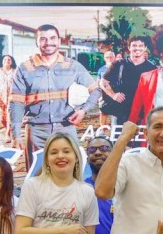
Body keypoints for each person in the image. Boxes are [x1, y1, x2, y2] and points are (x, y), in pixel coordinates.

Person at [9, 24, 101, 156]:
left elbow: (96, 90)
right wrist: (16, 134)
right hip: (37, 132)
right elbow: (15, 103)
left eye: (52, 38)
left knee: (70, 173)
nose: (48, 43)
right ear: (36, 42)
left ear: (59, 40)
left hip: (66, 128)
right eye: (43, 39)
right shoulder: (24, 68)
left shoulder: (72, 66)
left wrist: (83, 110)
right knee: (37, 174)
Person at [99, 36, 156, 126]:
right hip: (120, 113)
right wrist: (113, 95)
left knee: (140, 140)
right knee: (119, 140)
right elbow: (103, 81)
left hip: (142, 114)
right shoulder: (118, 64)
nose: (137, 48)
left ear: (145, 48)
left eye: (141, 46)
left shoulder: (152, 68)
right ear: (129, 47)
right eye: (134, 45)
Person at [0, 55, 16, 135]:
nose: (7, 61)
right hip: (0, 98)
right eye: (5, 59)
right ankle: (9, 129)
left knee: (10, 115)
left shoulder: (16, 71)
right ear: (2, 61)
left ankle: (8, 133)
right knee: (2, 117)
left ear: (12, 61)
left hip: (12, 97)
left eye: (9, 59)